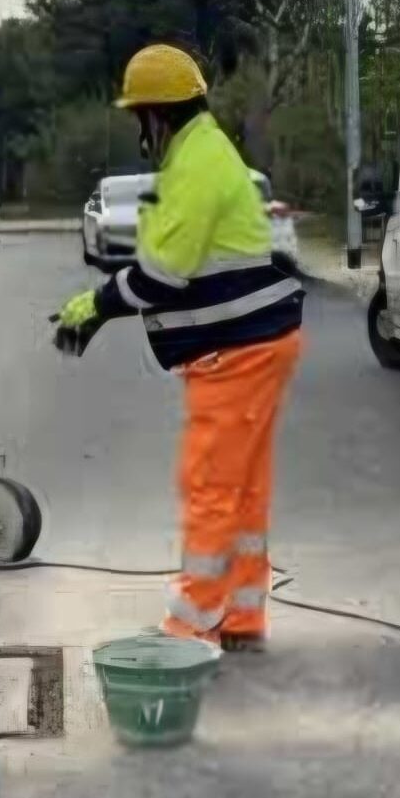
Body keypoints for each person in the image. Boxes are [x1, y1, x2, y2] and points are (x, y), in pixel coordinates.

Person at [50, 44, 304, 651]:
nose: (142, 129)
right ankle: (241, 618)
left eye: (140, 117)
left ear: (154, 116)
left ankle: (192, 627)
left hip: (235, 351)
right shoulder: (205, 152)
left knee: (209, 489)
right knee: (241, 490)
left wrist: (95, 308)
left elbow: (161, 275)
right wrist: (101, 306)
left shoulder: (195, 166)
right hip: (257, 343)